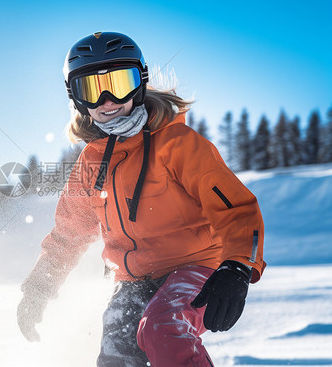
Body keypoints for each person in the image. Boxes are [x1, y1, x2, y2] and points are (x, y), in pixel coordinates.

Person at [17, 31, 265, 367]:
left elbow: (236, 208)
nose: (107, 99)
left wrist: (237, 268)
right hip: (132, 280)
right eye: (91, 88)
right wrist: (38, 288)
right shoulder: (90, 164)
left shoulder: (176, 144)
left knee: (163, 326)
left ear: (140, 83)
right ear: (76, 98)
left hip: (199, 268)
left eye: (119, 83)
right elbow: (69, 235)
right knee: (115, 353)